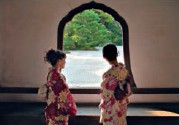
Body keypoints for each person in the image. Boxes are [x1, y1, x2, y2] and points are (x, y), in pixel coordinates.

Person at [99, 43, 132, 125]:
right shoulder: (124, 70)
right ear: (117, 54)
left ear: (104, 57)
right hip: (122, 102)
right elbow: (127, 87)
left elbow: (105, 95)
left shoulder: (107, 74)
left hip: (113, 106)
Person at [44, 49, 77, 125]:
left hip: (51, 106)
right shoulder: (57, 76)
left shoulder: (51, 72)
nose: (65, 62)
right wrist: (71, 107)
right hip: (58, 109)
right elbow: (64, 94)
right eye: (64, 60)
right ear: (59, 61)